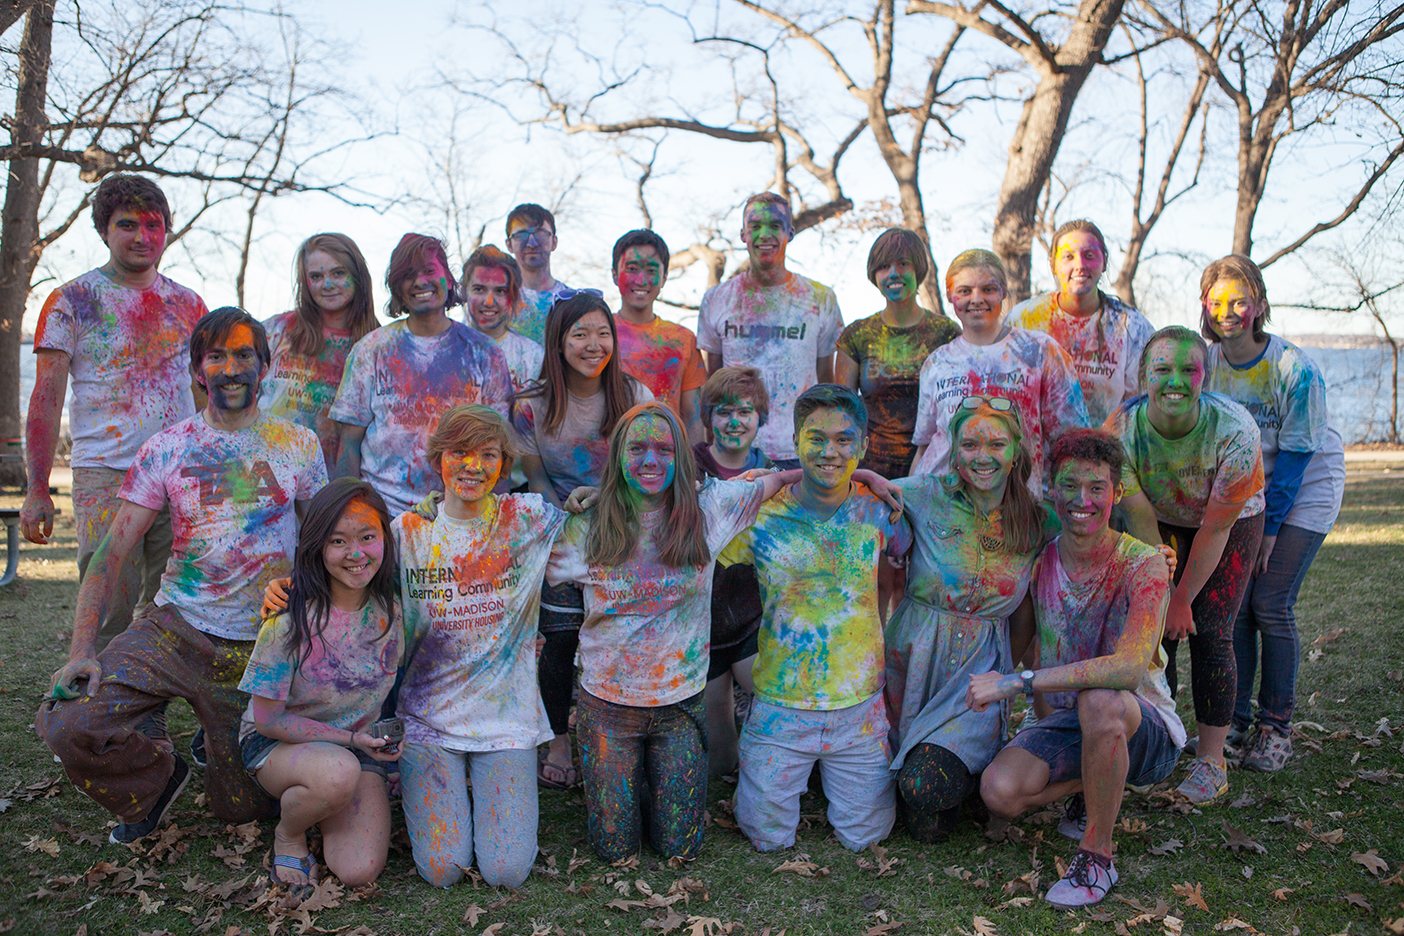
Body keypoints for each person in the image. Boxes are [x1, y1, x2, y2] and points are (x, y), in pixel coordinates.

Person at [34, 308, 327, 843]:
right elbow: (111, 554)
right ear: (197, 370)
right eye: (217, 356)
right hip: (175, 627)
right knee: (68, 723)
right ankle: (159, 778)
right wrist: (82, 650)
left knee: (242, 811)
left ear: (265, 366)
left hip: (257, 644)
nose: (232, 367)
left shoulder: (298, 445)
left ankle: (218, 746)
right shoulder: (168, 447)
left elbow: (320, 542)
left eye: (244, 354)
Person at [547, 402, 796, 861]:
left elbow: (784, 477)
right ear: (618, 454)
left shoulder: (709, 511)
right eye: (637, 449)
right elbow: (510, 544)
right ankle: (631, 785)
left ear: (681, 456)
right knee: (615, 851)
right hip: (607, 709)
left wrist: (869, 480)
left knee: (680, 847)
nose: (650, 460)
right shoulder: (584, 528)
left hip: (680, 704)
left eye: (664, 449)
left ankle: (651, 784)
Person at [974, 428, 1182, 909]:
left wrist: (1019, 683)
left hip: (1142, 725)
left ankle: (1097, 856)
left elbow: (1128, 670)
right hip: (1072, 722)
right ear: (1050, 488)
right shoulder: (1040, 562)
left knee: (1101, 695)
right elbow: (1014, 645)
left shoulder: (1145, 565)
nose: (1081, 500)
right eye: (1069, 486)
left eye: (1096, 488)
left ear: (1117, 493)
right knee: (998, 792)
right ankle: (1100, 779)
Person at [22, 174, 208, 652]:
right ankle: (94, 717)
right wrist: (37, 488)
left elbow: (206, 395)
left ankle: (148, 720)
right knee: (109, 609)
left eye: (154, 225)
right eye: (128, 225)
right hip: (106, 475)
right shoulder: (72, 301)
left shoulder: (189, 306)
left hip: (180, 475)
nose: (142, 237)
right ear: (104, 230)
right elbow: (46, 398)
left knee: (173, 609)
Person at [726, 384, 914, 852]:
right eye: (816, 438)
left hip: (859, 707)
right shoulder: (760, 512)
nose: (829, 451)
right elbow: (697, 516)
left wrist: (867, 476)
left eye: (844, 440)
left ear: (864, 446)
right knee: (767, 838)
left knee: (865, 837)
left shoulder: (880, 508)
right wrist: (780, 478)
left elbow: (907, 552)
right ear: (795, 441)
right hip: (779, 706)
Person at [1105, 325, 1265, 803]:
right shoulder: (1120, 429)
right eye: (1162, 369)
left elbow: (1216, 529)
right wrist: (1165, 594)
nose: (1175, 380)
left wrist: (1183, 599)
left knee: (1211, 629)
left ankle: (1212, 760)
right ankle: (1164, 744)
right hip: (1160, 519)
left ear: (1204, 377)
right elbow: (1136, 513)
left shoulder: (1235, 432)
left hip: (1228, 522)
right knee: (1156, 631)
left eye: (1188, 369)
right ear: (1142, 377)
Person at [1199, 256, 1345, 771]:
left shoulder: (1293, 367)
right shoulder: (1207, 362)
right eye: (1217, 301)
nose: (1228, 311)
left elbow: (1298, 456)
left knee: (1270, 601)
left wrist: (1270, 531)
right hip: (1245, 490)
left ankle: (1275, 727)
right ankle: (1235, 720)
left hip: (1301, 487)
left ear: (1259, 304)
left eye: (1239, 300)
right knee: (1236, 605)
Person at [883, 397, 1049, 843]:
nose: (983, 456)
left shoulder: (1037, 521)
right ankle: (947, 777)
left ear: (1016, 452)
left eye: (997, 443)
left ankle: (963, 773)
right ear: (955, 451)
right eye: (970, 443)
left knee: (924, 788)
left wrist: (1156, 557)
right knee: (902, 808)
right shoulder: (923, 494)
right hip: (912, 661)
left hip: (976, 681)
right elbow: (857, 493)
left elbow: (1094, 538)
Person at [514, 291, 654, 788]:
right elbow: (534, 480)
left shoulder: (635, 396)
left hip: (624, 528)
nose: (593, 345)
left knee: (616, 638)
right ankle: (556, 739)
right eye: (580, 334)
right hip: (559, 530)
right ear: (559, 341)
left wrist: (607, 495)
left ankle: (616, 738)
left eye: (602, 333)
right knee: (559, 640)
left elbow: (650, 467)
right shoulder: (532, 404)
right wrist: (561, 513)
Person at [239, 478, 401, 895]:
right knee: (336, 772)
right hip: (277, 745)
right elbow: (267, 719)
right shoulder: (288, 620)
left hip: (356, 749)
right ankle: (290, 832)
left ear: (385, 537)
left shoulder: (395, 612)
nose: (355, 554)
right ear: (317, 547)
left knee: (357, 869)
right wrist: (350, 740)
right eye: (338, 541)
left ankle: (321, 798)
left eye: (368, 537)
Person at [330, 233, 512, 515]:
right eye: (408, 275)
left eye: (429, 271)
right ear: (397, 287)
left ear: (448, 280)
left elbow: (500, 446)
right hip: (384, 514)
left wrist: (493, 519)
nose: (420, 282)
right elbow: (349, 444)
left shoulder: (485, 353)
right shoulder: (371, 350)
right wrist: (353, 512)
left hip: (461, 513)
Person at [911, 249, 1089, 496]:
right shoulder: (937, 363)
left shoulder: (1039, 352)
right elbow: (925, 447)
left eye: (988, 289)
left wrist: (1058, 504)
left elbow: (1073, 440)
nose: (976, 299)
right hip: (944, 508)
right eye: (965, 290)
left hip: (1018, 506)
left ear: (1003, 292)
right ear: (950, 295)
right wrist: (908, 505)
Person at [697, 192, 844, 468]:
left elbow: (828, 383)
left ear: (790, 231)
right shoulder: (716, 299)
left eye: (775, 226)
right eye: (755, 227)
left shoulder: (820, 298)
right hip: (736, 453)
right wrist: (708, 454)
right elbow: (711, 386)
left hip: (802, 452)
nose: (765, 235)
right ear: (743, 234)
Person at [693, 367, 772, 774]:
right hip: (697, 624)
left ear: (761, 417)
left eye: (745, 412)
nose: (735, 422)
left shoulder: (774, 476)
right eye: (724, 412)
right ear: (708, 417)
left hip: (748, 621)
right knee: (721, 761)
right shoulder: (687, 468)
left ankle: (784, 766)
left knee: (773, 697)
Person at [836, 228, 961, 480]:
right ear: (874, 274)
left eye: (903, 263)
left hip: (933, 468)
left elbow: (959, 408)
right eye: (883, 266)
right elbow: (842, 412)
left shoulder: (946, 333)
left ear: (918, 269)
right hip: (869, 471)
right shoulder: (857, 335)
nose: (893, 273)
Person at [1006, 220, 1156, 426]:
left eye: (1089, 255)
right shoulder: (1024, 320)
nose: (1080, 265)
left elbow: (1144, 403)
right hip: (1039, 454)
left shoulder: (1131, 326)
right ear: (1053, 264)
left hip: (1106, 452)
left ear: (1103, 262)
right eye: (1068, 256)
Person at [260, 233, 378, 473]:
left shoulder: (379, 346)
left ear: (357, 276)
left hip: (336, 489)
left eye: (338, 273)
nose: (327, 284)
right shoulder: (274, 332)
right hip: (268, 480)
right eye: (316, 276)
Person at [461, 245, 544, 490]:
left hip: (516, 484)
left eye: (500, 291)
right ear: (464, 292)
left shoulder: (533, 356)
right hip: (454, 480)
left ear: (514, 295)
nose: (489, 301)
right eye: (479, 289)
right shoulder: (446, 349)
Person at [611, 229, 707, 442]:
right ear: (614, 274)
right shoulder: (599, 336)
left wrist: (692, 470)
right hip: (602, 464)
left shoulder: (682, 339)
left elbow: (693, 416)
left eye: (651, 270)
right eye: (632, 268)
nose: (641, 279)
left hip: (666, 461)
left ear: (664, 277)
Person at [504, 203, 573, 344]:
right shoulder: (497, 301)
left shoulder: (570, 301)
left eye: (541, 234)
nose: (532, 243)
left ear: (554, 242)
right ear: (509, 245)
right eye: (521, 235)